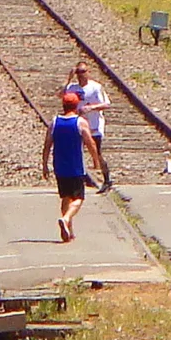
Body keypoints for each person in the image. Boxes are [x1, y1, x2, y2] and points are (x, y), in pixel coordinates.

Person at [44, 88, 106, 244]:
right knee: (78, 198)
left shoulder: (55, 122)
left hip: (59, 166)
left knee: (65, 197)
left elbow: (47, 145)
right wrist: (95, 160)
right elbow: (90, 142)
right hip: (76, 167)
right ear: (76, 106)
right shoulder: (80, 122)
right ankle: (66, 218)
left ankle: (69, 231)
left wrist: (44, 164)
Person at [70, 62, 114, 190]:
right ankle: (78, 179)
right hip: (78, 125)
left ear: (88, 72)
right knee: (76, 152)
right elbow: (60, 95)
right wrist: (68, 79)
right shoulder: (72, 87)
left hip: (94, 125)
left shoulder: (95, 87)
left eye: (83, 71)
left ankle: (107, 179)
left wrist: (91, 107)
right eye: (78, 72)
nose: (80, 75)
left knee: (96, 152)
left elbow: (106, 104)